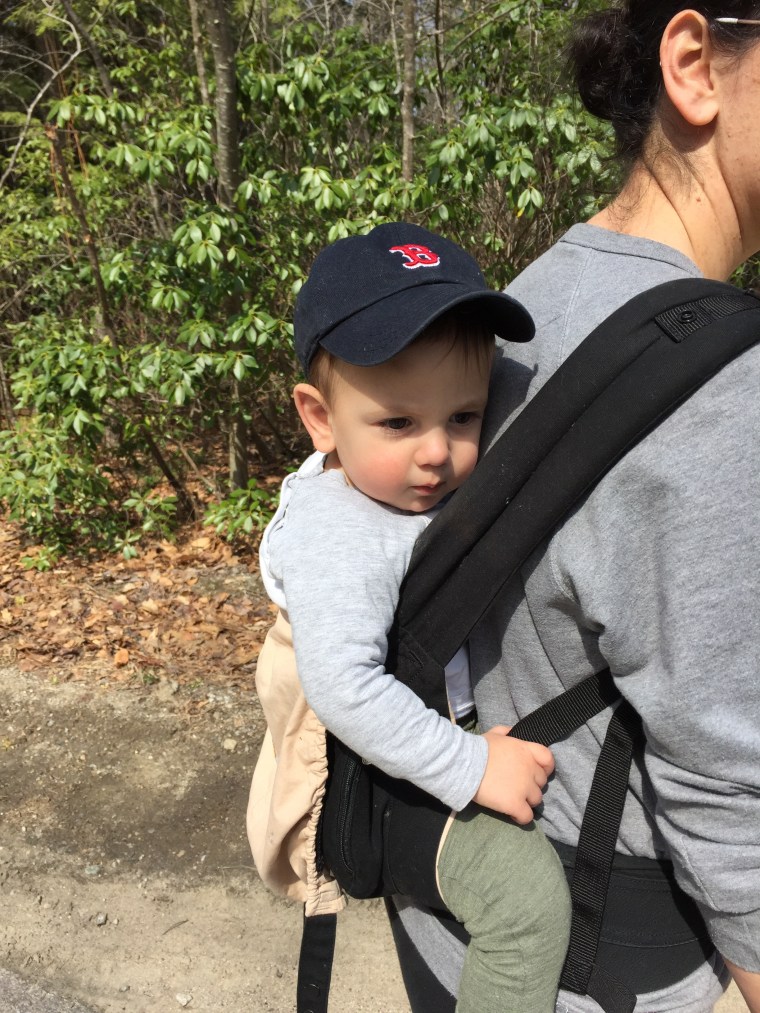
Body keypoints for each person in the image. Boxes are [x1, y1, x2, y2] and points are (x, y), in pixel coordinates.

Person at [386, 5, 760, 1013]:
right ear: (694, 64)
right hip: (593, 963)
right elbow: (730, 796)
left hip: (449, 908)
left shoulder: (529, 299)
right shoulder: (727, 389)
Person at [249, 221, 572, 1012]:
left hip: (411, 744)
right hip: (360, 784)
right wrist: (472, 765)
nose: (436, 452)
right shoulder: (341, 530)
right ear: (320, 419)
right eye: (399, 423)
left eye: (463, 417)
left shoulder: (394, 488)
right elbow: (345, 687)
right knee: (525, 898)